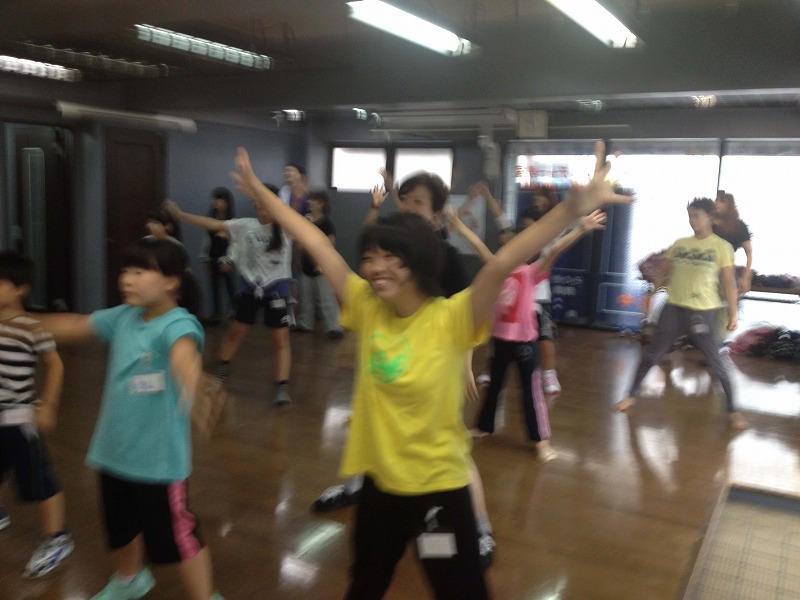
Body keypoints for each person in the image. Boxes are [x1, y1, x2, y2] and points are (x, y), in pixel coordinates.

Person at [232, 141, 631, 599]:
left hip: (440, 490)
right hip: (382, 487)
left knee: (460, 591)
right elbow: (317, 242)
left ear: (419, 262)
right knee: (365, 585)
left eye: (391, 258)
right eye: (370, 257)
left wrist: (569, 212)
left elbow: (503, 262)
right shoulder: (366, 305)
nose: (376, 268)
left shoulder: (452, 318)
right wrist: (264, 196)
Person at [38, 238, 222, 600]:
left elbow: (183, 354)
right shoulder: (123, 317)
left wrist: (193, 381)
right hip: (114, 452)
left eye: (140, 271)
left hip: (158, 462)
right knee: (120, 527)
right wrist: (21, 322)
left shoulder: (178, 323)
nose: (127, 279)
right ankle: (128, 580)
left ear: (171, 282)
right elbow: (75, 325)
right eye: (126, 270)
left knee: (178, 536)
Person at [448, 208, 606, 462]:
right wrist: (458, 224)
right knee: (494, 387)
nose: (508, 250)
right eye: (507, 246)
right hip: (501, 341)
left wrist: (580, 229)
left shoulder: (531, 272)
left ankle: (542, 441)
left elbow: (555, 250)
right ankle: (484, 426)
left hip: (525, 344)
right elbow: (478, 245)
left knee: (531, 393)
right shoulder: (498, 270)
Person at [614, 198, 750, 431]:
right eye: (689, 216)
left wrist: (733, 314)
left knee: (716, 361)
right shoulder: (680, 244)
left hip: (704, 311)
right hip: (674, 308)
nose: (692, 220)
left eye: (696, 215)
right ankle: (630, 396)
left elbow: (728, 282)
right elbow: (662, 275)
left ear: (710, 217)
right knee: (651, 355)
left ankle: (733, 411)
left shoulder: (722, 247)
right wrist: (650, 299)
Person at [166, 191, 294, 405]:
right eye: (257, 201)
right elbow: (211, 223)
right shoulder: (246, 226)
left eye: (264, 201)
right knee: (236, 331)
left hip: (277, 288)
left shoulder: (287, 228)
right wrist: (180, 215)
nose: (259, 205)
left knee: (280, 338)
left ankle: (282, 386)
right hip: (250, 287)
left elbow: (311, 234)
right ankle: (221, 372)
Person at [0, 251, 73, 578]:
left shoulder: (31, 326)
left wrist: (48, 405)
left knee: (39, 479)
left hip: (20, 420)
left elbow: (55, 364)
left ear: (21, 289)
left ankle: (57, 537)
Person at [295, 190, 344, 338]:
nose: (309, 202)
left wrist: (325, 264)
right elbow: (300, 245)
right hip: (306, 266)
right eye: (309, 200)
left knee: (327, 299)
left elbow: (330, 245)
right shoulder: (305, 220)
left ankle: (334, 327)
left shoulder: (327, 223)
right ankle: (305, 324)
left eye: (313, 200)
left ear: (321, 204)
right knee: (306, 298)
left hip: (323, 267)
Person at [201, 187, 238, 324]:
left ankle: (236, 312)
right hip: (213, 257)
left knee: (230, 287)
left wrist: (228, 260)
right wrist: (205, 258)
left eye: (220, 200)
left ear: (227, 202)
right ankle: (216, 314)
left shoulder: (232, 221)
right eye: (215, 200)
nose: (216, 203)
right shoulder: (211, 219)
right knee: (214, 288)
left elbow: (235, 243)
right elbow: (207, 240)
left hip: (227, 259)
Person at [713, 191, 753, 294]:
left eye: (721, 201)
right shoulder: (710, 224)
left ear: (729, 205)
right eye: (716, 200)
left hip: (726, 268)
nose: (716, 203)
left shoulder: (739, 226)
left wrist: (746, 277)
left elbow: (749, 253)